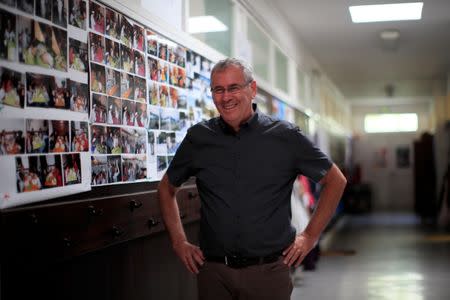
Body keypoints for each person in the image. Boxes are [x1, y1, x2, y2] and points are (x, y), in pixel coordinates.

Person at [157, 58, 347, 300]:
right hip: (213, 273)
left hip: (268, 273)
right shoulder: (199, 138)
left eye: (234, 87)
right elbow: (166, 188)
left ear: (252, 89)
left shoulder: (285, 137)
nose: (226, 97)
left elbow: (335, 181)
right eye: (218, 90)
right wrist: (179, 242)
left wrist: (309, 236)